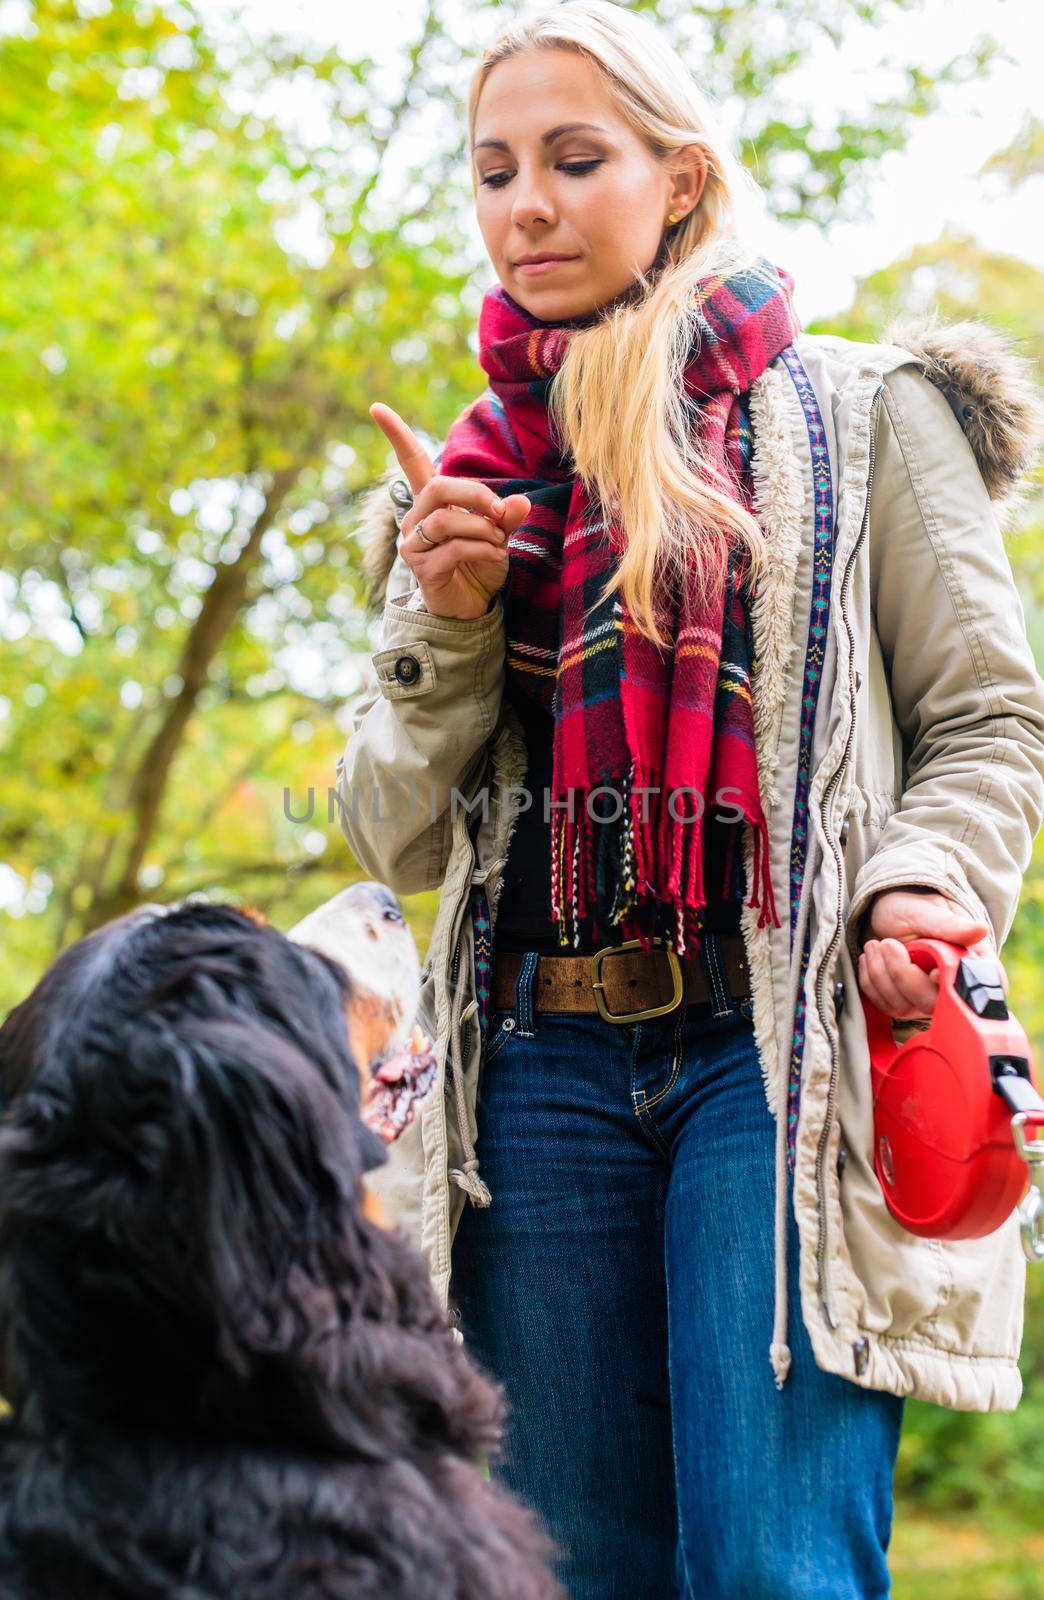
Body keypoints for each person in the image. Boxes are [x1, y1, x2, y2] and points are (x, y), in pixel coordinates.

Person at [335, 2, 1044, 1595]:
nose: (527, 204)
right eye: (495, 168)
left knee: (774, 1565)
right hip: (532, 1079)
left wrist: (923, 878)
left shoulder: (874, 415)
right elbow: (392, 835)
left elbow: (993, 718)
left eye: (577, 159)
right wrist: (446, 626)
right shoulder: (456, 479)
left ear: (682, 178)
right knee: (562, 1570)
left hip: (770, 1054)